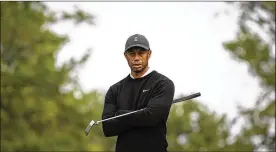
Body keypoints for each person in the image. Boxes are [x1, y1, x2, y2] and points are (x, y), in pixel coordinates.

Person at [101, 34, 175, 152]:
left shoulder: (163, 83)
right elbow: (108, 127)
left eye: (141, 53)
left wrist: (120, 114)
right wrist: (142, 114)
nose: (136, 58)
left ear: (149, 54)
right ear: (126, 56)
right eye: (132, 53)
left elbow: (152, 117)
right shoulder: (114, 90)